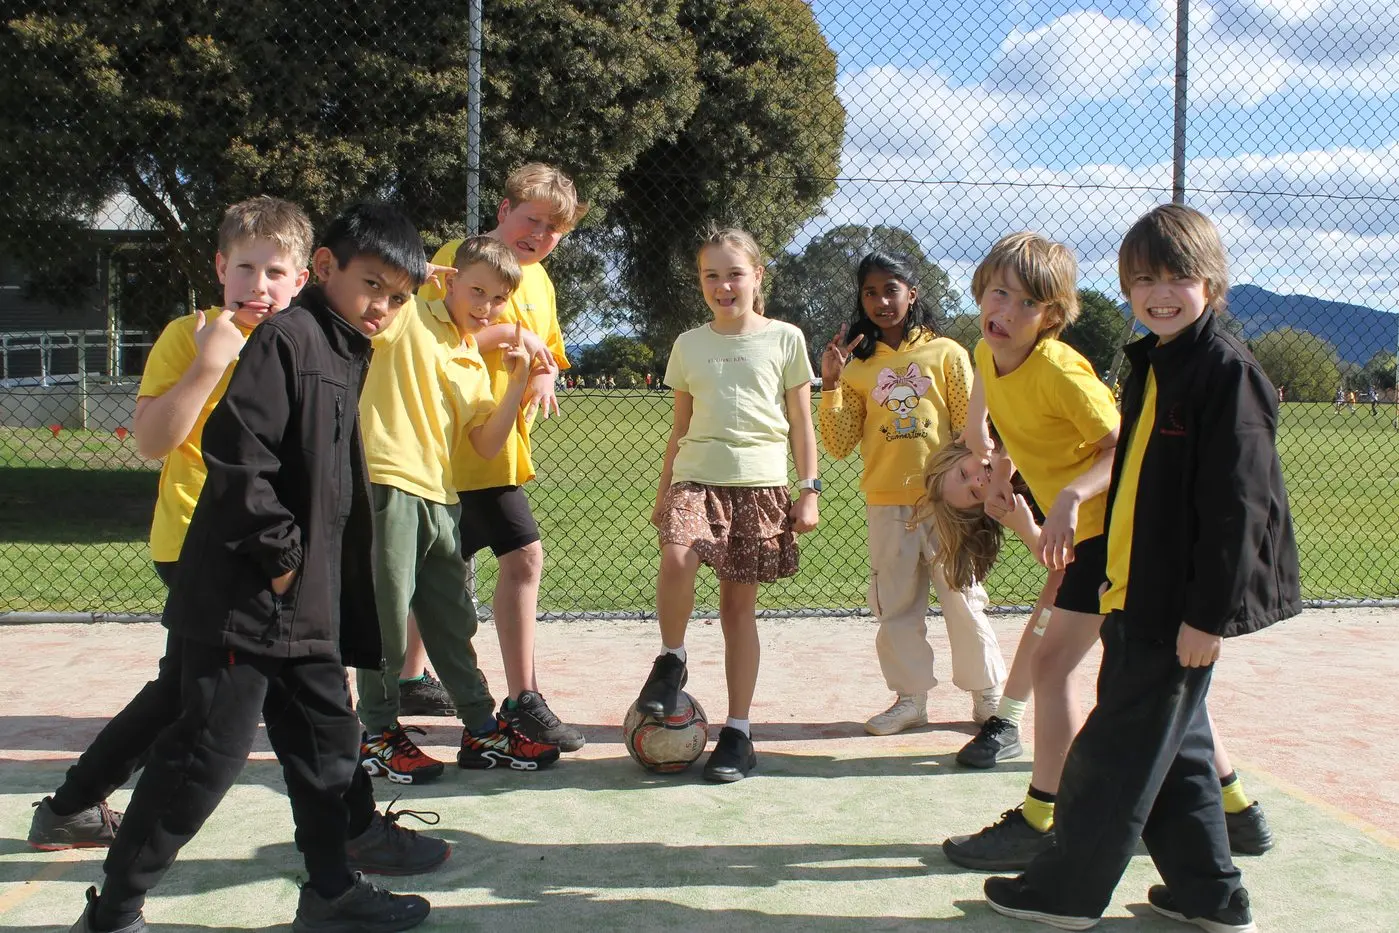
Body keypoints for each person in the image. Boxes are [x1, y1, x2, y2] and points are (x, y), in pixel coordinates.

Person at [30, 197, 448, 881]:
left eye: (275, 272)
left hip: (281, 555)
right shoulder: (191, 335)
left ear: (305, 276)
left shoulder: (321, 331)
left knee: (287, 700)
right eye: (244, 269)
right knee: (205, 707)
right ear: (220, 268)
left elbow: (396, 302)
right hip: (205, 545)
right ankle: (83, 815)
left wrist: (418, 273)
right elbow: (152, 440)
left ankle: (345, 838)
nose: (259, 286)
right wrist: (208, 361)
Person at [982, 203, 1300, 933]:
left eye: (1178, 277)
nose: (1159, 291)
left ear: (1211, 283)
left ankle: (1060, 892)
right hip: (1130, 585)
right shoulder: (1158, 359)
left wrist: (1206, 617)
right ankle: (1208, 895)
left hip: (1176, 604)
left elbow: (1239, 506)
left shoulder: (1226, 372)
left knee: (1112, 753)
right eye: (1142, 278)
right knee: (1180, 753)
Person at [356, 235, 561, 783]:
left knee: (452, 619)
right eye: (476, 291)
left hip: (441, 496)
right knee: (385, 621)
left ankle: (481, 731)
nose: (485, 307)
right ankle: (375, 735)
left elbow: (488, 445)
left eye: (497, 300)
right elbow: (361, 297)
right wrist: (402, 273)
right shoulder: (409, 317)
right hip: (386, 484)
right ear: (448, 281)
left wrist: (518, 384)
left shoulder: (470, 357)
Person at [633, 226, 819, 783]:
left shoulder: (785, 339)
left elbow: (802, 424)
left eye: (734, 273)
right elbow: (680, 427)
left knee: (738, 611)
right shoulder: (689, 345)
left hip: (759, 484)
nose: (722, 285)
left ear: (757, 277)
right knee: (677, 556)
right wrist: (665, 487)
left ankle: (738, 732)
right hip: (697, 476)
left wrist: (808, 490)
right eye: (710, 275)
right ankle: (672, 658)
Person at [419, 163, 589, 751]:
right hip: (449, 452)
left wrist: (543, 375)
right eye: (530, 218)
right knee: (512, 560)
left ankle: (430, 680)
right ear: (502, 212)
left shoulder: (538, 282)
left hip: (497, 453)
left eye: (552, 229)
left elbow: (550, 354)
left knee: (459, 570)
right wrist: (514, 341)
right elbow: (429, 341)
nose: (537, 234)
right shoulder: (460, 256)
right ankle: (518, 699)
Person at [817, 251, 1006, 735]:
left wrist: (972, 491)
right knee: (896, 604)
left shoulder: (946, 353)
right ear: (860, 299)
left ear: (912, 293)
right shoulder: (858, 367)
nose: (881, 300)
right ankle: (910, 699)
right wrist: (833, 384)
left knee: (962, 596)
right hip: (886, 502)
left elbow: (969, 427)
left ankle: (987, 698)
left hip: (947, 503)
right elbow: (838, 445)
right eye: (870, 292)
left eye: (891, 289)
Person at [920, 441, 1065, 769]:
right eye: (974, 494)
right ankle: (1008, 722)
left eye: (963, 473)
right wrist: (1027, 529)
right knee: (1051, 611)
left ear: (963, 448)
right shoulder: (1021, 499)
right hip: (1106, 553)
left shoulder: (1005, 431)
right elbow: (1066, 565)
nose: (977, 481)